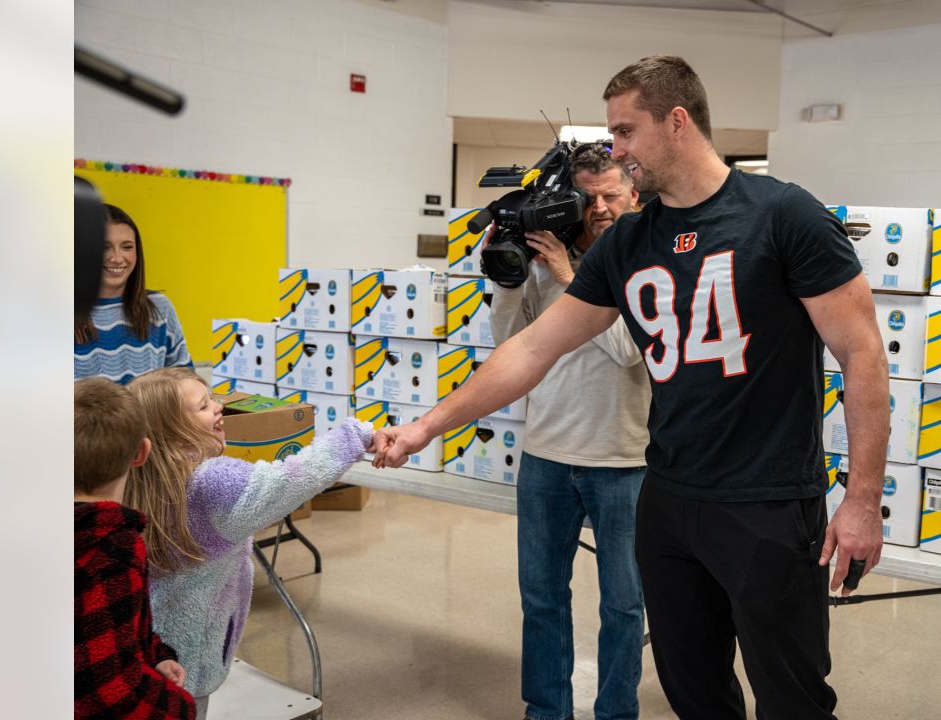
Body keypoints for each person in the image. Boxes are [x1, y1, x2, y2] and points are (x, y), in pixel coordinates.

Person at [376, 55, 888, 719]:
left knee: (792, 697)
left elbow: (862, 355)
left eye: (624, 131)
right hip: (669, 502)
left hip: (767, 504)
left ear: (677, 122)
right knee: (693, 690)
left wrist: (863, 499)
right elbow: (533, 347)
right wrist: (425, 427)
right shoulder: (630, 243)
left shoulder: (783, 215)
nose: (615, 150)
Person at [489, 143, 651, 720]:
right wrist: (510, 279)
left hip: (622, 460)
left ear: (635, 193)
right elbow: (508, 345)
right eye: (590, 198)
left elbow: (631, 352)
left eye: (612, 195)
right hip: (546, 455)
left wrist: (569, 276)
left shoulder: (648, 265)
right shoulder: (552, 260)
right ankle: (546, 712)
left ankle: (615, 713)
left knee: (625, 606)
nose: (602, 208)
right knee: (541, 600)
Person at [124, 368, 385, 715]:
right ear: (173, 429)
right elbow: (290, 480)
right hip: (188, 661)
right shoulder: (213, 482)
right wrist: (355, 435)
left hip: (142, 646)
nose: (219, 408)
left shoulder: (139, 479)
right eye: (204, 406)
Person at [73, 377, 196, 720]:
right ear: (142, 452)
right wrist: (179, 708)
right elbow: (109, 687)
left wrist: (155, 654)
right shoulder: (112, 548)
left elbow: (109, 627)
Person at [74, 204, 193, 384]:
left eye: (127, 247)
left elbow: (186, 381)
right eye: (104, 247)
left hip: (153, 414)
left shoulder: (159, 307)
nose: (116, 258)